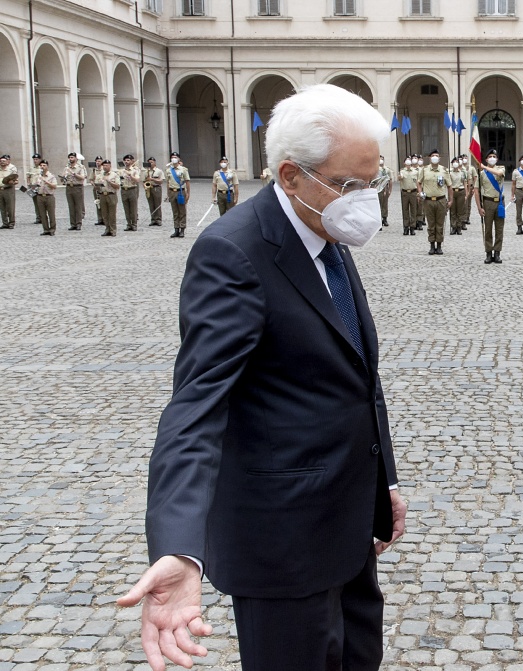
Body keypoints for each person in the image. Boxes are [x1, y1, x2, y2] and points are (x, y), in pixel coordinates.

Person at [116, 83, 406, 671]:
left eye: (374, 182)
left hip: (349, 529)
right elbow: (196, 408)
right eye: (350, 185)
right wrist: (180, 546)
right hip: (282, 547)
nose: (365, 200)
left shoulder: (324, 228)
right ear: (290, 176)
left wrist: (385, 482)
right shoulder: (235, 252)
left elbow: (354, 370)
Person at [417, 148, 452, 255]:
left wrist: (451, 200)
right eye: (433, 156)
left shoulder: (444, 170)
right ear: (429, 158)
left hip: (440, 200)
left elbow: (450, 186)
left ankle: (439, 245)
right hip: (428, 201)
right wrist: (420, 192)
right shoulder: (424, 170)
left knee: (440, 224)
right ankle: (432, 245)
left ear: (439, 158)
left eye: (436, 156)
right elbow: (419, 183)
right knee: (431, 224)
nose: (435, 158)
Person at [475, 148, 506, 264]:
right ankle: (488, 252)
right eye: (490, 157)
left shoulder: (501, 168)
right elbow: (476, 190)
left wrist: (484, 167)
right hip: (487, 202)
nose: (492, 158)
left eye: (494, 157)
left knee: (499, 229)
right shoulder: (482, 174)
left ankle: (497, 252)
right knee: (488, 229)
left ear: (497, 159)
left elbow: (498, 174)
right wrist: (479, 207)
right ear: (486, 159)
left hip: (499, 203)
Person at [165, 151, 191, 238]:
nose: (174, 159)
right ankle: (176, 229)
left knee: (182, 211)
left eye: (175, 157)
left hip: (181, 191)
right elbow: (168, 182)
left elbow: (187, 182)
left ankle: (182, 229)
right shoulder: (169, 170)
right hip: (172, 191)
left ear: (179, 159)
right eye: (172, 157)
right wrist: (168, 193)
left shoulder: (183, 169)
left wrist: (188, 193)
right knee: (175, 211)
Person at [94, 159, 121, 237]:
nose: (105, 167)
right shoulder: (100, 175)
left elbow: (117, 186)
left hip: (111, 195)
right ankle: (107, 229)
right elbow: (96, 186)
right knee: (104, 214)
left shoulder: (114, 175)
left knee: (112, 214)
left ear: (110, 166)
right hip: (102, 195)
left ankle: (113, 230)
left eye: (106, 165)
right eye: (104, 165)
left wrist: (109, 181)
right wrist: (97, 186)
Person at [62, 152, 88, 230]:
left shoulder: (80, 167)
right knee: (71, 206)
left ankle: (79, 223)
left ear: (76, 158)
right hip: (69, 187)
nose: (71, 159)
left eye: (72, 157)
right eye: (69, 157)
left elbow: (82, 177)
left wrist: (74, 174)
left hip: (78, 187)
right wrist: (63, 177)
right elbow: (63, 177)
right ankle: (73, 223)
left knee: (78, 206)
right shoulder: (66, 167)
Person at [35, 159, 59, 236]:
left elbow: (55, 186)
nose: (42, 167)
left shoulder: (51, 176)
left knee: (51, 214)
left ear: (47, 166)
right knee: (42, 214)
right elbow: (36, 186)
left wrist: (46, 181)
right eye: (41, 165)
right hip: (40, 196)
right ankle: (45, 229)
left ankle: (52, 229)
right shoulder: (38, 176)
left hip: (49, 196)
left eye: (44, 165)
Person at [120, 154, 143, 231]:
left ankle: (134, 224)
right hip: (124, 189)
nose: (126, 162)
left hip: (132, 189)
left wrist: (131, 176)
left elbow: (137, 180)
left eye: (128, 160)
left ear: (131, 161)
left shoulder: (134, 170)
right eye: (125, 160)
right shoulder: (121, 171)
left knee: (133, 208)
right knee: (126, 208)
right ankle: (128, 224)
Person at [398, 156, 420, 235]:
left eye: (409, 163)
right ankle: (406, 227)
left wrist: (418, 193)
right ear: (405, 164)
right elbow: (399, 178)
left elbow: (418, 183)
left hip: (413, 192)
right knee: (405, 210)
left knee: (413, 210)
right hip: (405, 192)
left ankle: (413, 227)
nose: (408, 165)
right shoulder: (402, 171)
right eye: (406, 163)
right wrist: (400, 177)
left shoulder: (415, 172)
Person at [145, 157, 165, 227]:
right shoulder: (146, 171)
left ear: (155, 163)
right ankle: (153, 219)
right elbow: (144, 180)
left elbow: (161, 181)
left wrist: (152, 179)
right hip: (149, 188)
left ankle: (158, 219)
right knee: (151, 204)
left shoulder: (159, 171)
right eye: (149, 162)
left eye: (152, 162)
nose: (150, 164)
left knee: (157, 204)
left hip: (156, 188)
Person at [448, 158, 465, 235]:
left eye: (456, 162)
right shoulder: (450, 173)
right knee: (453, 210)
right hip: (453, 191)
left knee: (460, 210)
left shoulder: (462, 173)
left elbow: (465, 183)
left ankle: (459, 227)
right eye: (454, 162)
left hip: (461, 191)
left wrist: (466, 194)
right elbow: (448, 184)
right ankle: (453, 227)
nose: (455, 163)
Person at [0, 153, 17, 229]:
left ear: (7, 162)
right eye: (1, 161)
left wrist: (12, 182)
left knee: (10, 207)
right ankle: (5, 223)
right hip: (0, 189)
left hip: (8, 189)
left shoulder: (11, 170)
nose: (2, 162)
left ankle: (11, 223)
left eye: (4, 161)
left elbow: (16, 181)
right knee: (2, 208)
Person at [377, 155, 393, 227]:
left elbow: (390, 180)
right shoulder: (376, 169)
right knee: (378, 204)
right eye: (380, 159)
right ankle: (378, 219)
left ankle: (384, 218)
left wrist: (390, 190)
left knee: (385, 203)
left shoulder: (387, 170)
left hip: (385, 188)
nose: (381, 160)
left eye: (382, 159)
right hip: (378, 188)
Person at [27, 153, 43, 225]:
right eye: (34, 159)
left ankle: (43, 218)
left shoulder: (42, 167)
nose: (35, 161)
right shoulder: (31, 168)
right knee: (36, 203)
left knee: (41, 203)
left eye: (36, 159)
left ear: (40, 159)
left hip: (40, 187)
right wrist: (29, 185)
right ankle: (38, 218)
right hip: (33, 187)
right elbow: (28, 176)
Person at [91, 156, 105, 228]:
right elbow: (91, 178)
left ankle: (105, 219)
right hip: (96, 187)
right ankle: (100, 219)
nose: (98, 162)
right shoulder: (94, 170)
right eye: (96, 161)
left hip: (103, 187)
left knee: (104, 203)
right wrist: (92, 182)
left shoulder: (104, 169)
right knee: (97, 203)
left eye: (99, 161)